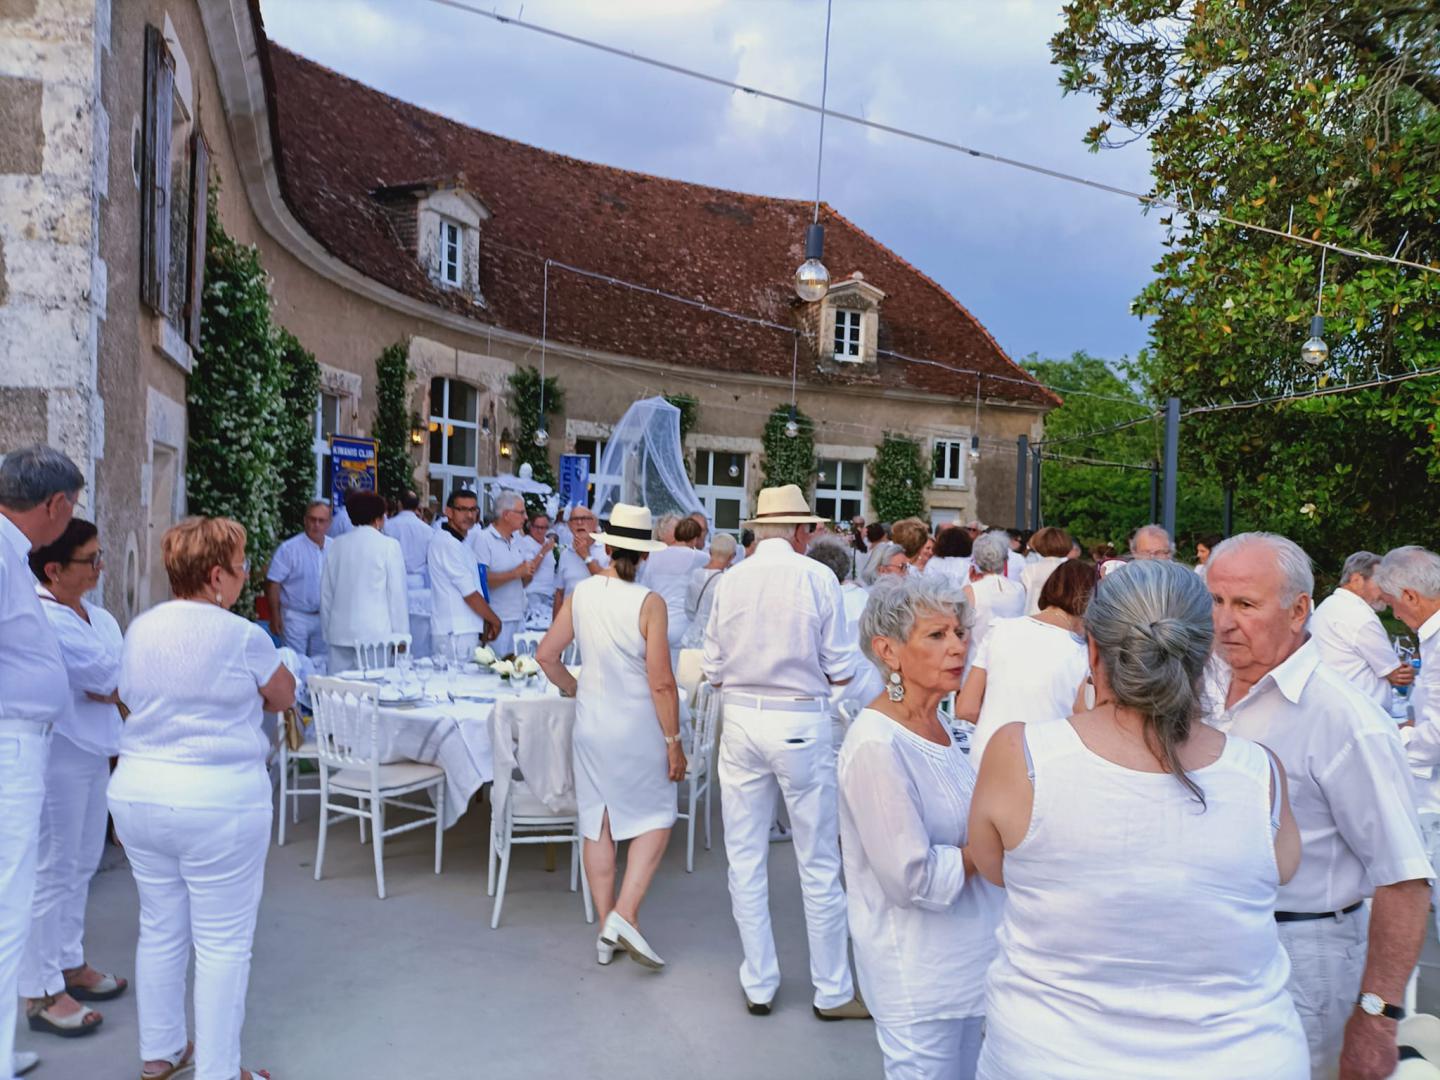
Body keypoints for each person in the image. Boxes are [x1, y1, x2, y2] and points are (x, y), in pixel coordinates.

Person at [970, 559, 1307, 1079]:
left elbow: (995, 868)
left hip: (1050, 1056)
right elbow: (1281, 871)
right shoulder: (1260, 773)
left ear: (1093, 650)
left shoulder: (1022, 754)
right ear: (1204, 653)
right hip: (1242, 1056)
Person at [1205, 532, 1432, 1080]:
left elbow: (1404, 880)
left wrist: (1377, 1016)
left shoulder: (1344, 719)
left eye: (1245, 604)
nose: (1224, 621)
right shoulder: (1200, 688)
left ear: (1298, 610)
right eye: (1216, 601)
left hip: (1304, 959)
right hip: (1209, 956)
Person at [110, 516, 296, 1080]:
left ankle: (161, 1051)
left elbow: (126, 696)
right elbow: (282, 695)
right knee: (222, 944)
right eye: (241, 568)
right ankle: (219, 1071)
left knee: (160, 926)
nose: (244, 576)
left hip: (140, 791)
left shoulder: (141, 628)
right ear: (216, 576)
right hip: (218, 800)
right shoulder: (242, 636)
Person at [701, 484, 866, 1020]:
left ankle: (759, 982)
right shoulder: (816, 577)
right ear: (799, 530)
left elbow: (712, 666)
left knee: (745, 857)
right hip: (798, 718)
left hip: (742, 717)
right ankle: (832, 990)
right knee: (817, 862)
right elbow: (841, 665)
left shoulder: (731, 579)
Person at [839, 575, 1003, 1079]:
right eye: (936, 635)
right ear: (888, 650)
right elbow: (911, 878)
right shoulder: (877, 745)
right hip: (920, 978)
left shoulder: (942, 725)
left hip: (967, 965)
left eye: (959, 632)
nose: (958, 646)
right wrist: (988, 848)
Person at [536, 505, 685, 968]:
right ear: (645, 554)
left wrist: (576, 689)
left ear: (607, 545)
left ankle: (607, 930)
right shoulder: (649, 602)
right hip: (636, 727)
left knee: (597, 822)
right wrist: (674, 741)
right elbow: (662, 682)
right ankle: (624, 913)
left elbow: (546, 656)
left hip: (591, 724)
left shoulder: (583, 592)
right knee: (658, 815)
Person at [20, 519, 126, 1041]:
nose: (99, 567)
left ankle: (68, 961)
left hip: (94, 750)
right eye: (90, 559)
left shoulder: (98, 617)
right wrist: (113, 683)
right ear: (54, 569)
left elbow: (117, 673)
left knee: (82, 863)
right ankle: (40, 990)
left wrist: (112, 683)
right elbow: (111, 677)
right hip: (59, 754)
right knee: (53, 867)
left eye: (100, 556)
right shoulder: (44, 617)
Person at [0, 445, 83, 1080]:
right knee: (7, 908)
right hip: (9, 745)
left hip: (19, 739)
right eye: (73, 506)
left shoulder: (9, 550)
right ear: (54, 504)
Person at [957, 559, 1093, 770]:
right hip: (1043, 763)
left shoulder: (999, 630)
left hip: (986, 754)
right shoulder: (1082, 654)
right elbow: (1085, 720)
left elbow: (966, 707)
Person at [319, 491, 408, 674]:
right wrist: (401, 636)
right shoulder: (389, 546)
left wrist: (328, 631)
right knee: (374, 687)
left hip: (340, 632)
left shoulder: (336, 545)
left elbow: (326, 593)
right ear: (379, 518)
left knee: (340, 687)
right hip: (376, 636)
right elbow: (397, 596)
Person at [1309, 551, 1411, 709]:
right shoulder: (1360, 616)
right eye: (1381, 582)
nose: (1386, 591)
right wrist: (1407, 671)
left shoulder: (1328, 606)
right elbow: (1396, 675)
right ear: (1356, 580)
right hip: (1364, 713)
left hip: (1334, 705)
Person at [468, 491, 547, 656]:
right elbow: (481, 580)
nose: (526, 517)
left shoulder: (517, 540)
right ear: (506, 515)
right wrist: (516, 573)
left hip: (519, 616)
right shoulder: (484, 538)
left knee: (519, 665)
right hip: (496, 619)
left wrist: (527, 574)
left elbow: (522, 582)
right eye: (521, 512)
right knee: (495, 667)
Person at [427, 489, 501, 657]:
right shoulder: (446, 543)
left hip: (464, 628)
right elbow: (469, 594)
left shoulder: (461, 542)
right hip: (454, 631)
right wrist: (494, 620)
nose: (469, 515)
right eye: (462, 509)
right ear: (448, 512)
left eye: (473, 510)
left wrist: (484, 620)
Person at [264, 500, 331, 664]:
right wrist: (275, 616)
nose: (316, 525)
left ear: (329, 523)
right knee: (295, 664)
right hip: (295, 616)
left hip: (324, 617)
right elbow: (274, 582)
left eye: (321, 520)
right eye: (312, 519)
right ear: (305, 520)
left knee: (321, 664)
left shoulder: (334, 547)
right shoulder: (289, 549)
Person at [638, 515, 707, 660]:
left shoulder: (652, 556)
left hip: (657, 624)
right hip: (685, 625)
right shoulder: (700, 557)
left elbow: (643, 588)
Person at [963, 531, 1025, 679]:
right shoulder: (1019, 589)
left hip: (976, 663)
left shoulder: (970, 591)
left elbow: (963, 632)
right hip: (1009, 662)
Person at [382, 490, 435, 658]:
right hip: (419, 585)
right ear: (417, 506)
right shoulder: (427, 530)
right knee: (418, 634)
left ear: (399, 504)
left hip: (393, 582)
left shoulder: (388, 526)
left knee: (395, 629)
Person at [682, 532, 737, 650]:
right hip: (714, 641)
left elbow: (689, 609)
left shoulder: (695, 574)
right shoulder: (726, 580)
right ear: (732, 556)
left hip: (692, 638)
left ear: (710, 552)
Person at [555, 506, 609, 609]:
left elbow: (610, 585)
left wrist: (586, 556)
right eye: (574, 519)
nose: (579, 523)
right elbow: (560, 593)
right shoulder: (565, 554)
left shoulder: (606, 549)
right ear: (569, 525)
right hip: (569, 615)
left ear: (595, 523)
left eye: (584, 518)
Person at [1018, 526, 1073, 616]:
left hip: (1034, 615)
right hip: (1063, 617)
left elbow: (1022, 595)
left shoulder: (1030, 569)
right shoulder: (1070, 570)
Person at [518, 512, 559, 630]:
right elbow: (529, 569)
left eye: (544, 527)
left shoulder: (548, 543)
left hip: (549, 594)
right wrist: (543, 551)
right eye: (537, 527)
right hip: (533, 593)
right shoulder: (525, 542)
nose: (540, 531)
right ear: (530, 526)